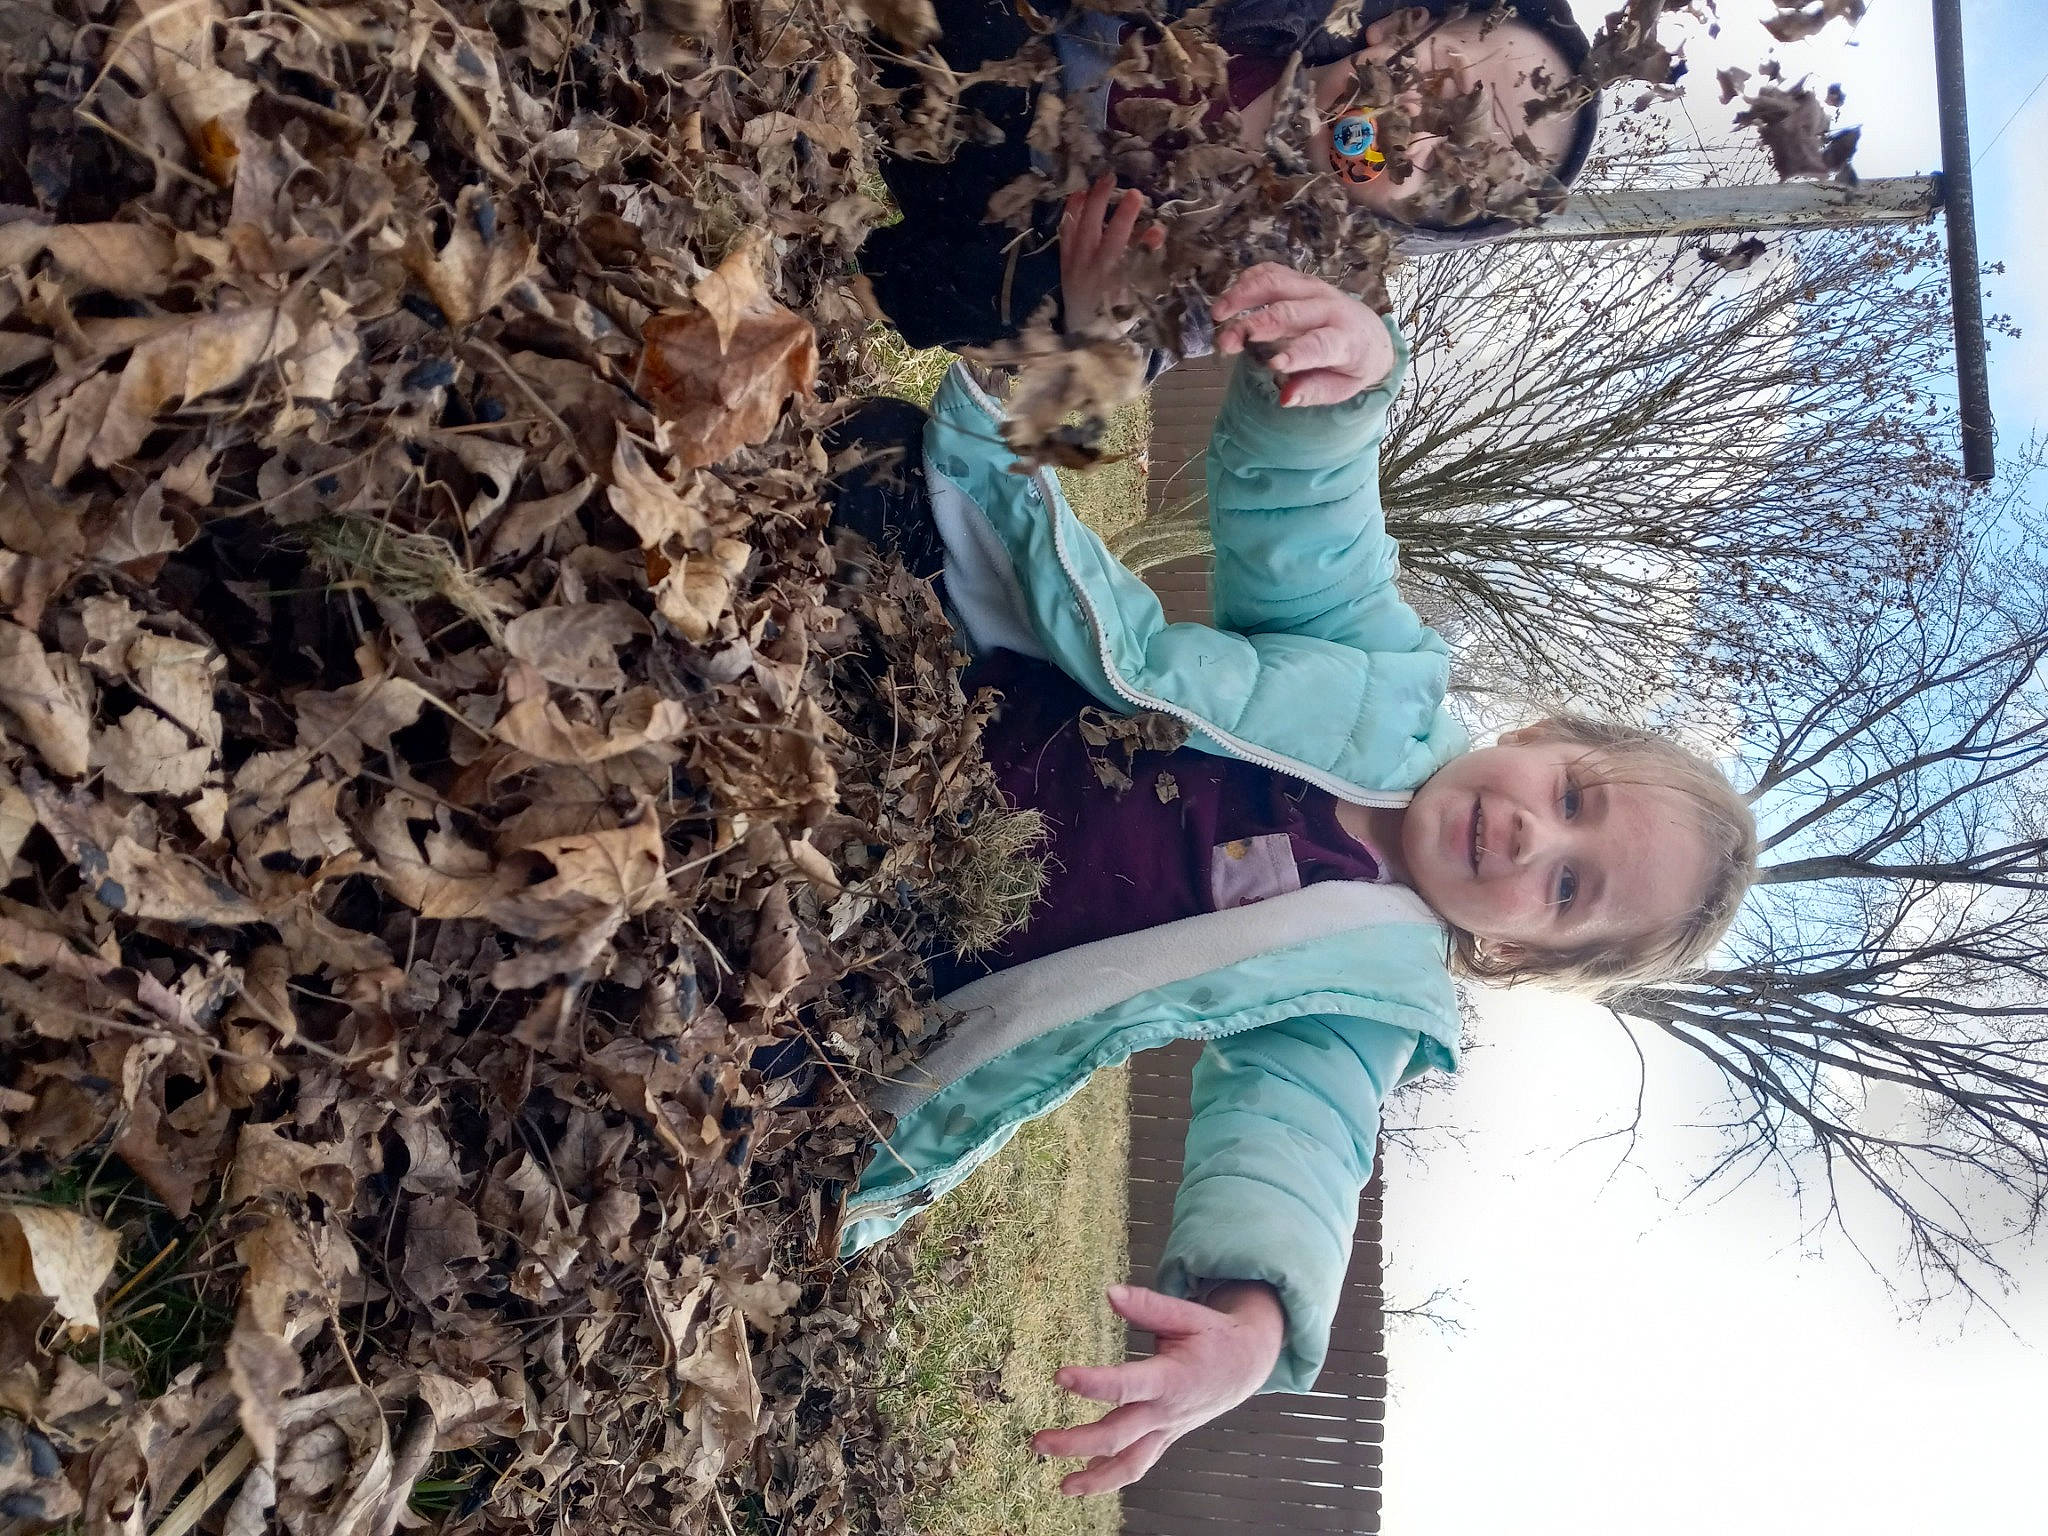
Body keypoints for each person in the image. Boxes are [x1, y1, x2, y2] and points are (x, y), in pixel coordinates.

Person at [823, 263, 1757, 1493]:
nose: (1536, 839)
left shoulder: (1368, 1007)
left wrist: (1255, 1322)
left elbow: (1294, 1145)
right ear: (1534, 740)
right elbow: (1304, 527)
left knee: (778, 1085)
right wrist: (1339, 391)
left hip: (924, 942)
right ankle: (1093, 326)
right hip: (956, 685)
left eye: (1568, 890)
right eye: (1571, 798)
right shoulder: (1380, 671)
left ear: (1521, 956)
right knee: (921, 458)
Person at [862, 0, 1602, 349]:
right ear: (1400, 28)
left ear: (1406, 225)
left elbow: (1167, 341)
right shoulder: (1264, 14)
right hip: (993, 47)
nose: (1410, 126)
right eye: (1437, 86)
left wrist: (1096, 324)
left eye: (1441, 171)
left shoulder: (1270, 263)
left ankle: (844, 273)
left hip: (988, 202)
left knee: (1035, 307)